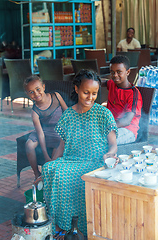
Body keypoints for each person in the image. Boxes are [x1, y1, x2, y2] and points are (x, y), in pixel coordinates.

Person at [42, 69, 118, 239]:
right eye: (86, 92)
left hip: (95, 161)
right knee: (49, 168)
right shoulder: (68, 114)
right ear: (76, 89)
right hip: (71, 159)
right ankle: (62, 224)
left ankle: (80, 227)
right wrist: (53, 162)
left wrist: (111, 154)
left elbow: (113, 144)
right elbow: (62, 145)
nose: (90, 97)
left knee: (63, 175)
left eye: (94, 94)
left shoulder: (103, 113)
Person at [23, 75, 67, 189]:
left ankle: (48, 179)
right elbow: (40, 134)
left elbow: (68, 113)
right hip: (43, 131)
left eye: (38, 89)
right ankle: (37, 174)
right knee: (29, 144)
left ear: (43, 87)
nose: (36, 94)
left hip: (58, 132)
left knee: (54, 158)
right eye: (31, 92)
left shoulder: (56, 96)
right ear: (28, 94)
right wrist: (45, 155)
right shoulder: (35, 112)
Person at [102, 55, 143, 145]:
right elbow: (103, 82)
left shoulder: (134, 94)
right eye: (112, 72)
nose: (115, 75)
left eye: (119, 72)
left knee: (101, 140)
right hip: (112, 127)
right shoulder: (113, 84)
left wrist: (107, 128)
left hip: (127, 130)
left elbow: (127, 120)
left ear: (128, 72)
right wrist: (90, 79)